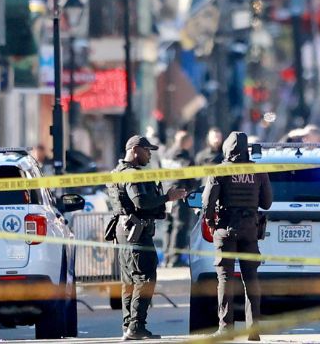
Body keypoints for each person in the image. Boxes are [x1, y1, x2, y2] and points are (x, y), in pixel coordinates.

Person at [108, 135, 188, 340]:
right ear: (135, 150)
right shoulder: (132, 175)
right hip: (136, 233)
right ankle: (136, 326)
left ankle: (129, 326)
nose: (150, 155)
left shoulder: (118, 172)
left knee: (129, 280)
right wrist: (167, 197)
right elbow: (141, 202)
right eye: (147, 150)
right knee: (145, 279)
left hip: (124, 231)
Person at [202, 131, 273, 339]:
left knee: (225, 279)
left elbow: (207, 203)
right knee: (251, 279)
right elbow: (267, 203)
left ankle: (226, 328)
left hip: (225, 229)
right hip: (250, 230)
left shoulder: (220, 171)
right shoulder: (259, 171)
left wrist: (211, 222)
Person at [162, 129, 197, 267]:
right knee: (179, 226)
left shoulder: (167, 154)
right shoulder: (185, 157)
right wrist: (190, 189)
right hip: (179, 194)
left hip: (166, 194)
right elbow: (190, 177)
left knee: (168, 225)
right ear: (186, 142)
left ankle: (166, 258)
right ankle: (175, 258)